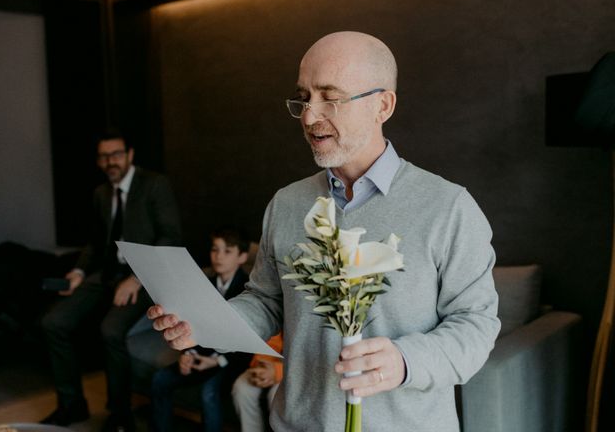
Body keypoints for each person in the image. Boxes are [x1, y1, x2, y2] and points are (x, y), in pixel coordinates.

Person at [148, 31, 500, 431]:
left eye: (330, 98)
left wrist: (404, 362)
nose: (310, 116)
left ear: (382, 105)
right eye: (304, 98)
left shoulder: (448, 207)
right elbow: (267, 302)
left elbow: (476, 325)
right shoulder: (286, 203)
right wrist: (208, 323)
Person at [41, 129, 182, 431]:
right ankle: (72, 405)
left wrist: (136, 278)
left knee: (110, 330)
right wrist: (78, 273)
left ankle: (120, 415)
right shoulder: (101, 193)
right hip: (104, 274)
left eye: (116, 154)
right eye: (104, 156)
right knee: (54, 322)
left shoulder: (155, 185)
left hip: (144, 277)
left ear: (130, 155)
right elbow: (95, 242)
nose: (110, 161)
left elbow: (170, 238)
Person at [150, 228, 252, 432]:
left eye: (227, 251)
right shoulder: (202, 283)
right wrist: (188, 354)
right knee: (160, 379)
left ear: (242, 257)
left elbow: (247, 342)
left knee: (209, 392)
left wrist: (216, 361)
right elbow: (190, 322)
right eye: (215, 249)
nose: (218, 256)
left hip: (229, 362)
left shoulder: (249, 289)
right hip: (200, 355)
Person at [231, 333, 283, 432]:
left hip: (300, 373)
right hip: (274, 362)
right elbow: (274, 338)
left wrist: (277, 371)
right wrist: (262, 365)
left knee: (277, 395)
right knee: (242, 386)